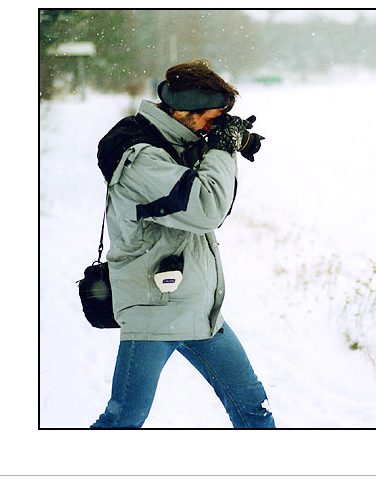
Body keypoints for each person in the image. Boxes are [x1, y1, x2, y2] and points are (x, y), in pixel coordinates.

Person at [91, 60, 274, 428]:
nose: (215, 127)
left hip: (198, 308)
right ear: (181, 111)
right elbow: (207, 207)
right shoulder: (141, 158)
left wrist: (231, 139)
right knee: (123, 421)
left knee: (254, 409)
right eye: (212, 118)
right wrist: (223, 150)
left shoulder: (176, 141)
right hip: (154, 311)